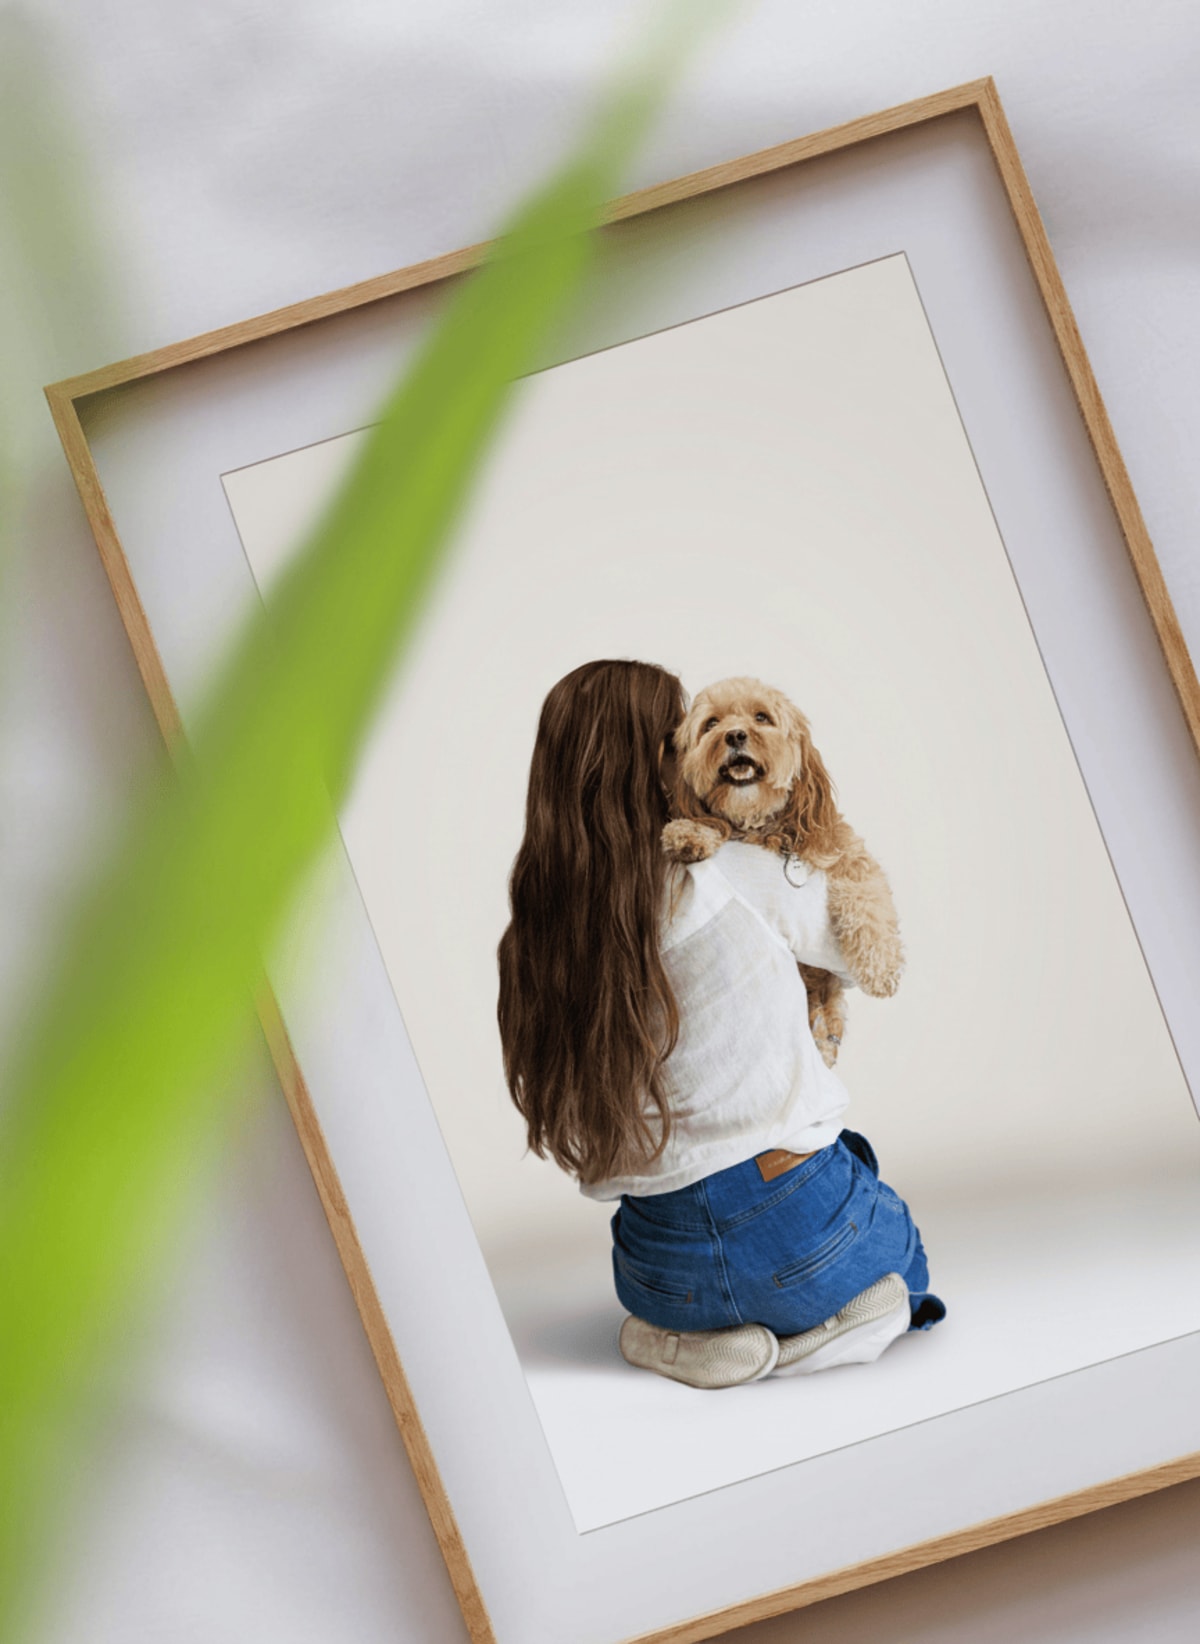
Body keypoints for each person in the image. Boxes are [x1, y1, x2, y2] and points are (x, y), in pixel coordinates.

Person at [497, 659, 944, 1388]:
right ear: (663, 757)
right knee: (904, 1253)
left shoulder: (542, 930)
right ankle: (804, 1340)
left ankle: (679, 1337)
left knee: (832, 1169)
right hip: (793, 1241)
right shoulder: (734, 873)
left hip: (652, 1270)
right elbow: (867, 963)